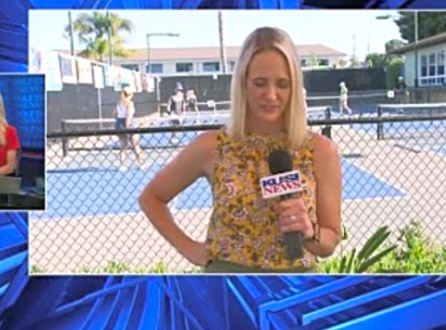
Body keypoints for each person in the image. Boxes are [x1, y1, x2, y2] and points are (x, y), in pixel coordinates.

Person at [138, 27, 343, 273]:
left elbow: (330, 242)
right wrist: (190, 249)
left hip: (297, 284)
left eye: (282, 84)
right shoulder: (212, 146)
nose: (271, 95)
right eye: (259, 83)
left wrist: (310, 231)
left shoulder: (320, 151)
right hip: (225, 283)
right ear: (243, 84)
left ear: (295, 87)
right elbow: (152, 197)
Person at [112, 86, 145, 171]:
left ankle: (122, 165)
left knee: (123, 146)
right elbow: (128, 116)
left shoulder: (119, 103)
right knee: (135, 144)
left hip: (119, 123)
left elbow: (114, 114)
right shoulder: (130, 104)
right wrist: (127, 127)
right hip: (129, 124)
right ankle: (142, 163)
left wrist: (118, 123)